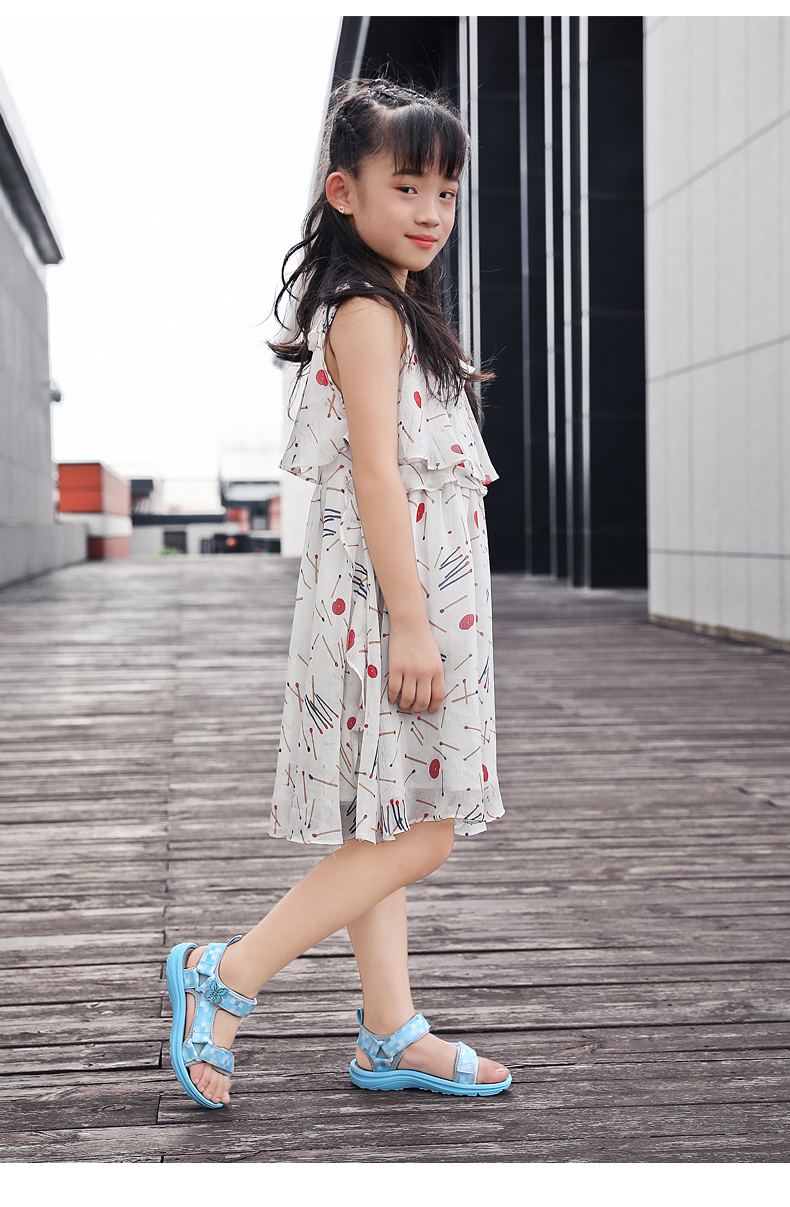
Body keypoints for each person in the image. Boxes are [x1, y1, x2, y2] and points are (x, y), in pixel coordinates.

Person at [166, 76, 512, 1109]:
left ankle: (390, 1026)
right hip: (390, 603)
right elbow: (376, 475)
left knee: (386, 820)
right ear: (343, 192)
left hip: (411, 596)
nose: (431, 213)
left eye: (447, 193)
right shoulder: (366, 314)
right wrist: (412, 623)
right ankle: (226, 973)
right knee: (427, 829)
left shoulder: (397, 309)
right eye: (407, 187)